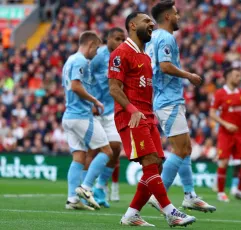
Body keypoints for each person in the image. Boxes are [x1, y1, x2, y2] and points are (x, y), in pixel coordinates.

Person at [108, 11, 196, 227]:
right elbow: (114, 88)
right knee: (149, 164)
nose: (151, 24)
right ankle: (170, 212)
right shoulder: (121, 53)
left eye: (151, 21)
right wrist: (131, 110)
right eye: (146, 21)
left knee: (157, 165)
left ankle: (131, 214)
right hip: (132, 117)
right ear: (131, 25)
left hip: (147, 115)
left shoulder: (146, 57)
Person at [145, 0, 215, 213]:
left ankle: (189, 195)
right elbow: (165, 66)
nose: (178, 17)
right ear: (167, 16)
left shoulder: (153, 37)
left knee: (186, 149)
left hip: (164, 98)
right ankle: (160, 196)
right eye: (176, 13)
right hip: (168, 99)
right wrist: (189, 76)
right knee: (181, 149)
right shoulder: (166, 37)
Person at [62, 31, 113, 211]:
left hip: (69, 116)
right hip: (81, 116)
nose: (96, 52)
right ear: (90, 45)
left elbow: (70, 88)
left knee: (79, 157)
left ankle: (72, 199)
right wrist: (95, 100)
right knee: (107, 150)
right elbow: (75, 86)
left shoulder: (69, 60)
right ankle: (86, 187)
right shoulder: (81, 61)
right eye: (96, 48)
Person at [83, 27, 126, 208]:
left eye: (123, 39)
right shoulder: (97, 57)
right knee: (93, 152)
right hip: (95, 110)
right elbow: (83, 77)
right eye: (117, 38)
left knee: (115, 148)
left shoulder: (122, 58)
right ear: (107, 39)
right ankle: (83, 190)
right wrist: (90, 102)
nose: (120, 42)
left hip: (111, 110)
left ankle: (100, 188)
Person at [210, 67, 241, 203]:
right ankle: (221, 193)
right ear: (229, 77)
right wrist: (225, 124)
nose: (240, 78)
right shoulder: (219, 94)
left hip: (240, 134)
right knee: (223, 162)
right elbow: (212, 113)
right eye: (237, 76)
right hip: (225, 133)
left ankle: (240, 191)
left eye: (240, 76)